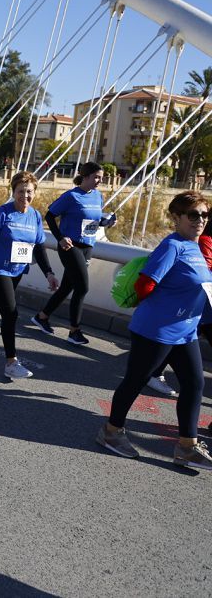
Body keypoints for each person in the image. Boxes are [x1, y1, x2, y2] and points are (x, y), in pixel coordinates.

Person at [95, 191, 212, 470]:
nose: (200, 220)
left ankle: (187, 446)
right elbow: (145, 285)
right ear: (176, 218)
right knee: (135, 381)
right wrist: (169, 305)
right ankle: (111, 432)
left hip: (186, 331)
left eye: (205, 215)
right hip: (156, 330)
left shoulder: (196, 246)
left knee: (195, 384)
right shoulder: (172, 246)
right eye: (193, 215)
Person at [0, 172, 59, 379]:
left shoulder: (34, 215)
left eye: (29, 191)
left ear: (34, 192)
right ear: (13, 192)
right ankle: (11, 362)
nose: (25, 195)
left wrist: (49, 273)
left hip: (17, 270)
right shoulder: (2, 213)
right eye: (20, 191)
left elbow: (39, 248)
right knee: (11, 312)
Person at [31, 161, 113, 345]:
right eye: (96, 177)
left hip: (88, 246)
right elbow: (50, 215)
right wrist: (60, 237)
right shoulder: (71, 196)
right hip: (70, 246)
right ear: (85, 177)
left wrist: (106, 222)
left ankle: (42, 316)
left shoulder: (98, 196)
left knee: (68, 286)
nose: (100, 180)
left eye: (101, 177)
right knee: (82, 287)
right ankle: (74, 331)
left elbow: (94, 220)